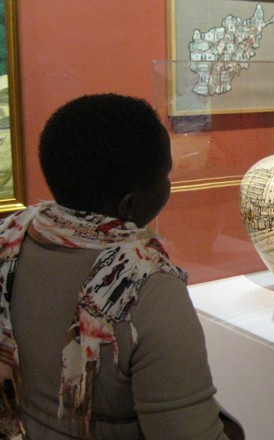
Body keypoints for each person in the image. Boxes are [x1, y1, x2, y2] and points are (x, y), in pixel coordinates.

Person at [0, 94, 238, 439]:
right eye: (166, 174)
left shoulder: (11, 237)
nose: (169, 184)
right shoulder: (149, 289)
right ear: (129, 204)